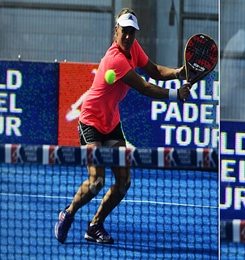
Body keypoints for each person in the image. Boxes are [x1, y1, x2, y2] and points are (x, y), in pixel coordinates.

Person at [54, 8, 191, 244]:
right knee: (97, 180)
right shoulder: (114, 59)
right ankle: (68, 213)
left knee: (123, 181)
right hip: (90, 123)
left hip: (111, 123)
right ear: (115, 31)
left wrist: (178, 73)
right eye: (124, 31)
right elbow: (145, 87)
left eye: (132, 32)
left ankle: (95, 226)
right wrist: (175, 95)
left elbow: (154, 70)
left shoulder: (133, 49)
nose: (128, 37)